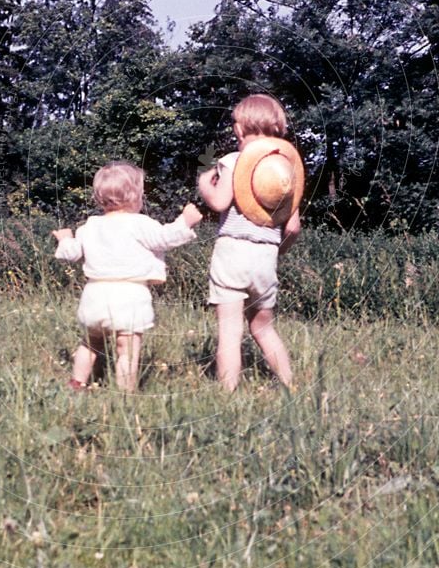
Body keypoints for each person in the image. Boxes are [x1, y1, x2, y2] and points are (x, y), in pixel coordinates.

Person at [53, 161, 202, 392]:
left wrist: (64, 238)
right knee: (127, 350)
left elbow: (71, 254)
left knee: (91, 343)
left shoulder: (89, 226)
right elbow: (165, 238)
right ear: (135, 196)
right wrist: (185, 221)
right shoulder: (140, 224)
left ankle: (77, 383)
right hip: (129, 295)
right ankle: (125, 395)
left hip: (95, 295)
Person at [198, 94, 302, 391]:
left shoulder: (234, 160)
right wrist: (275, 253)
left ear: (239, 129)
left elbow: (219, 203)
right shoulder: (286, 173)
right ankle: (289, 385)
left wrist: (205, 184)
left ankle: (228, 394)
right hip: (266, 256)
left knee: (230, 331)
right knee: (263, 327)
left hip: (233, 250)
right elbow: (293, 228)